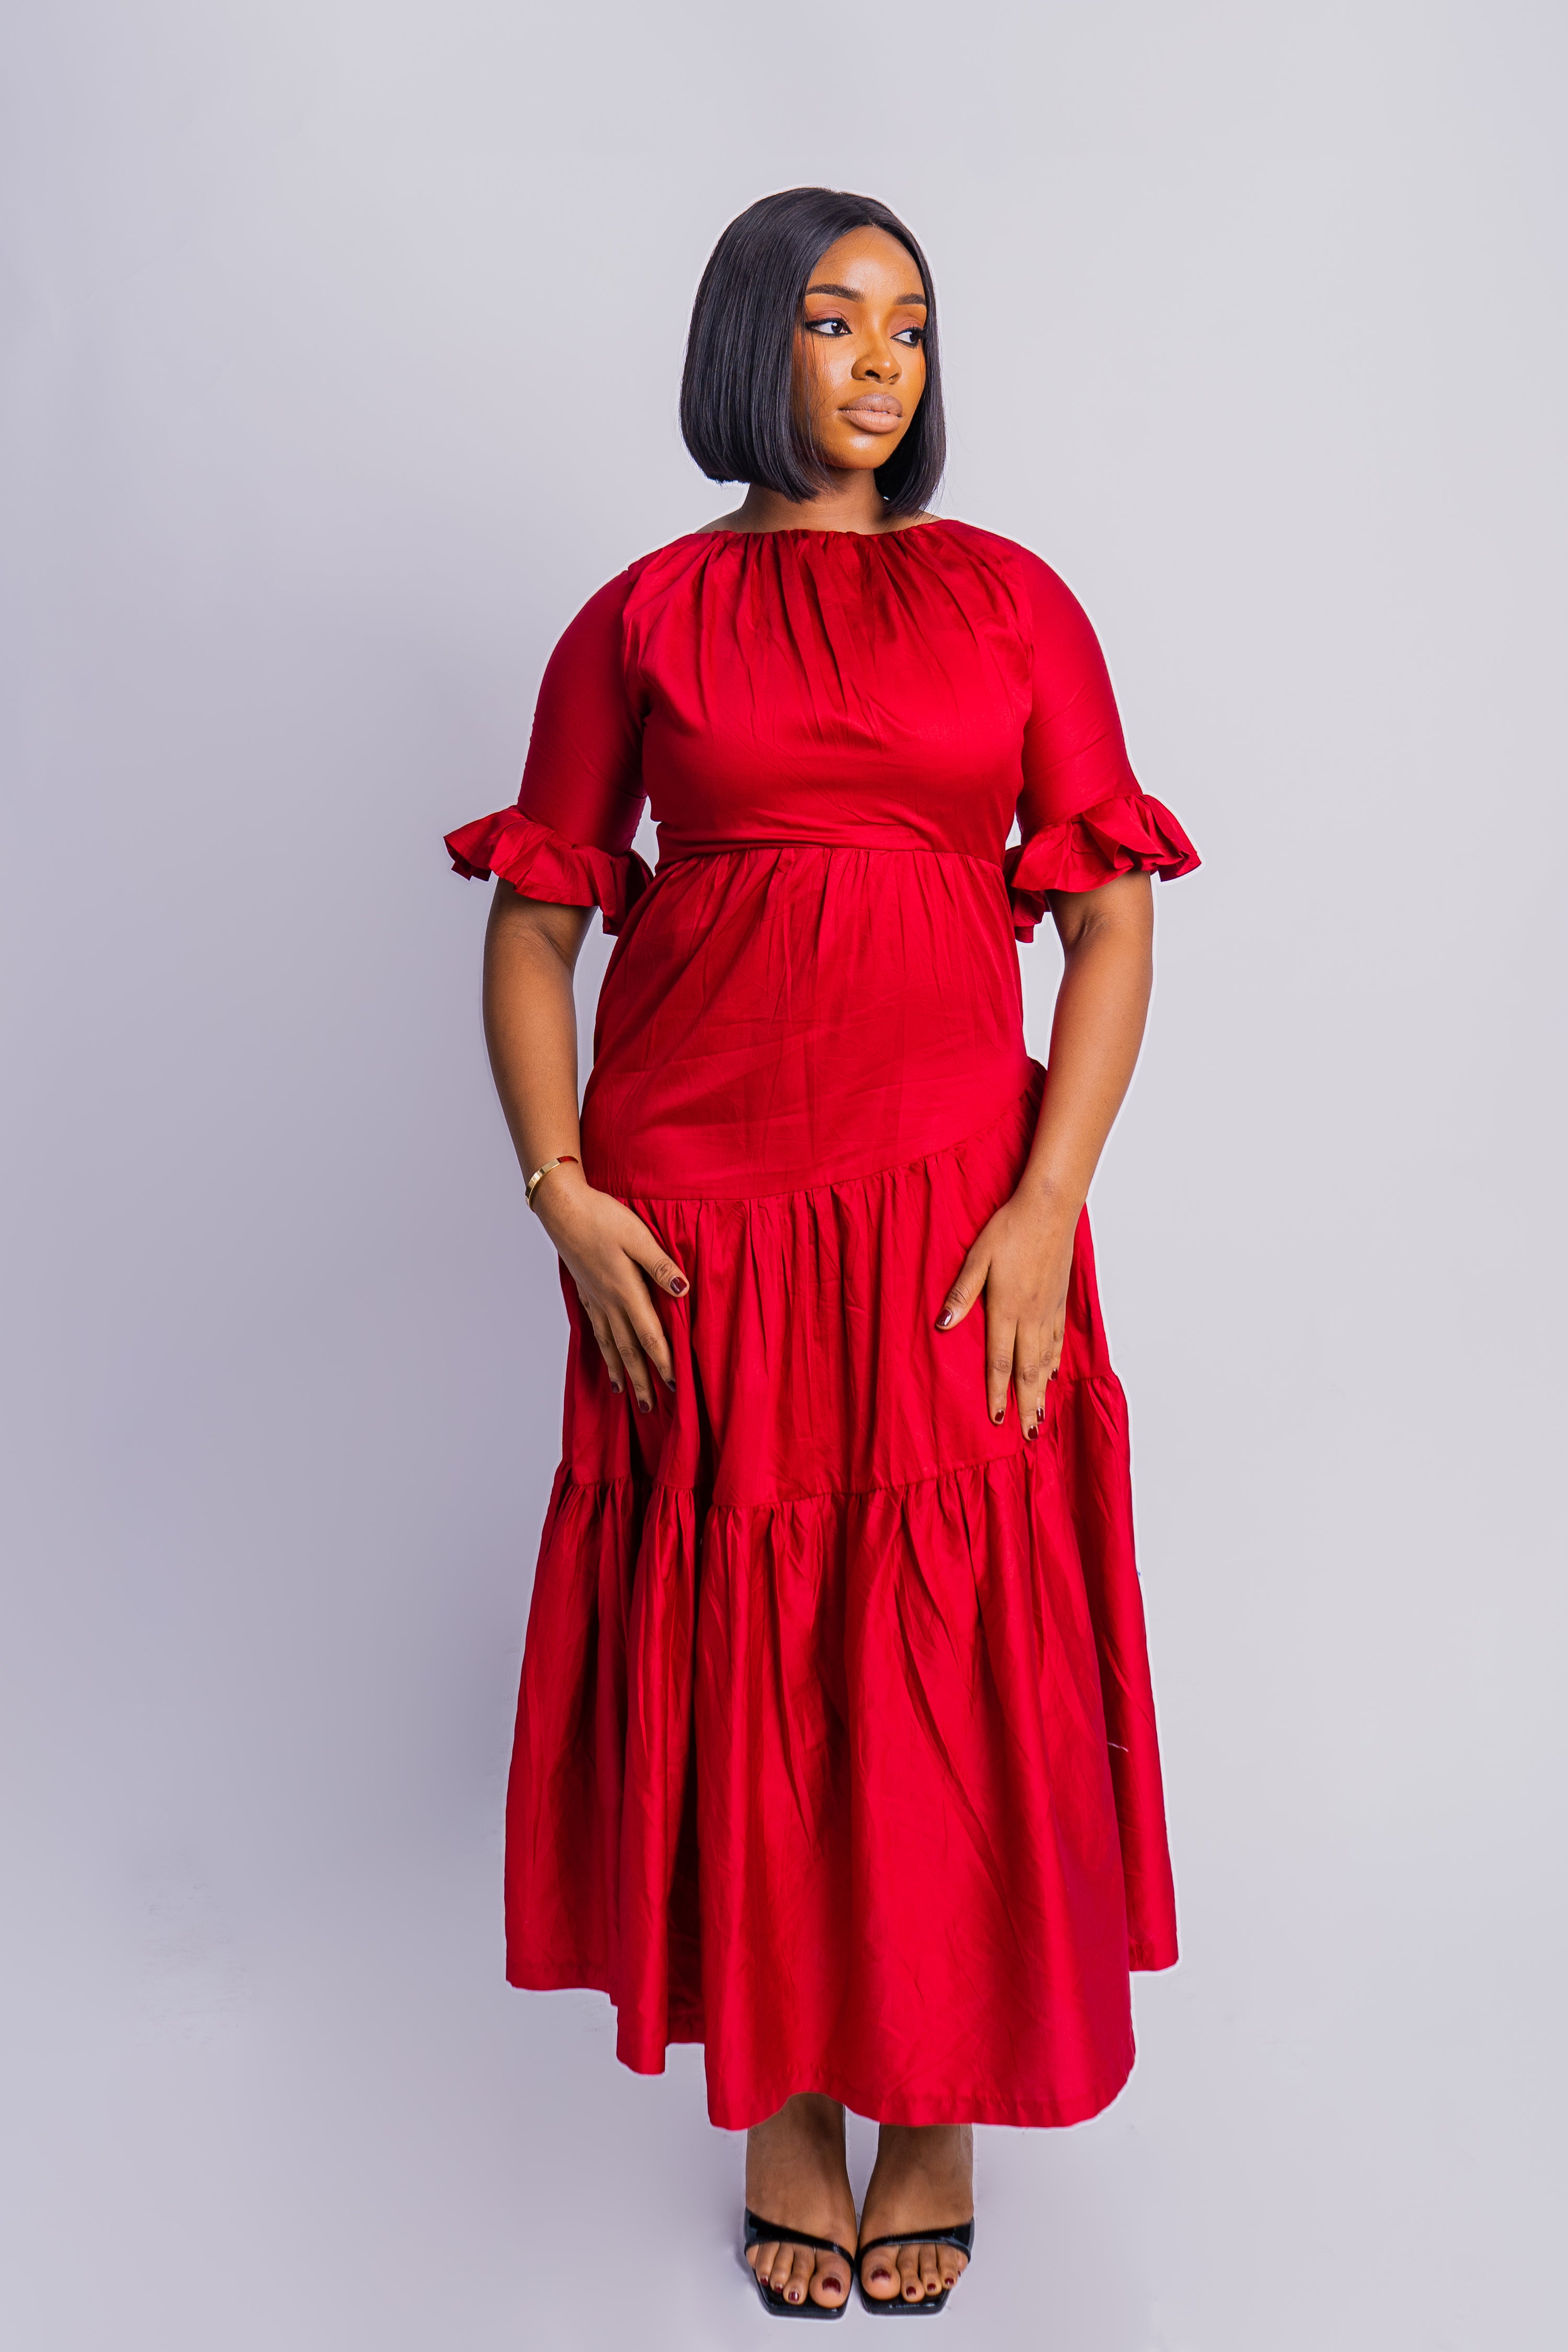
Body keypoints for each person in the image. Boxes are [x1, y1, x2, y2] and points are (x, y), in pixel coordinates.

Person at [443, 185, 1198, 2319]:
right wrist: (559, 1186)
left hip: (956, 1206)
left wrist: (1048, 1200)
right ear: (749, 340)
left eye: (912, 327)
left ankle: (934, 2099)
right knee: (750, 1646)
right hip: (693, 1215)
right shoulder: (640, 621)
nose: (880, 361)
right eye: (837, 319)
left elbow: (1112, 915)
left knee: (950, 1642)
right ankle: (784, 2101)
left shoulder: (1013, 604)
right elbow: (536, 921)